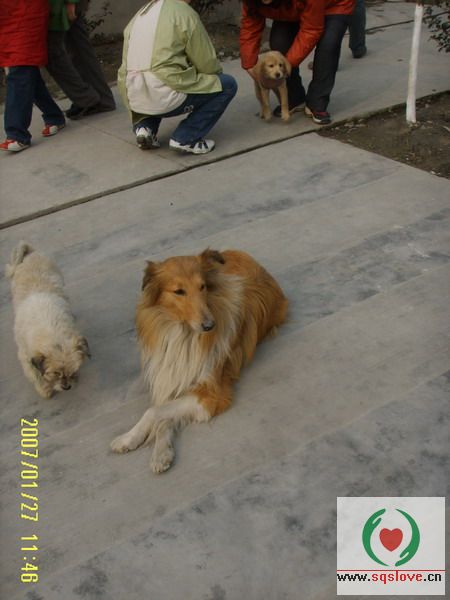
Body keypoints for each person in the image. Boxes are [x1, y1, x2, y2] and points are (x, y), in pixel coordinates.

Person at [118, 0, 237, 155]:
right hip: (166, 92)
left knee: (148, 81)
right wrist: (213, 78)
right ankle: (186, 138)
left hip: (134, 95)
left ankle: (144, 127)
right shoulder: (184, 13)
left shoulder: (141, 13)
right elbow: (206, 62)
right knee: (227, 85)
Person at [240, 0, 355, 125]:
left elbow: (311, 29)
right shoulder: (252, 2)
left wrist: (287, 64)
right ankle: (294, 97)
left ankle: (317, 102)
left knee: (328, 46)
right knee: (279, 42)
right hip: (293, 8)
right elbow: (250, 27)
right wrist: (250, 64)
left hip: (334, 6)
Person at [0, 0, 66, 152]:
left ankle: (17, 134)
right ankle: (54, 116)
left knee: (20, 68)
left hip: (26, 13)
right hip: (6, 16)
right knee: (27, 73)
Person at [47, 0, 116, 119]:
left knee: (57, 53)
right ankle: (99, 99)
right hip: (60, 5)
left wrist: (71, 2)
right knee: (77, 48)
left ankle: (89, 99)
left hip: (61, 5)